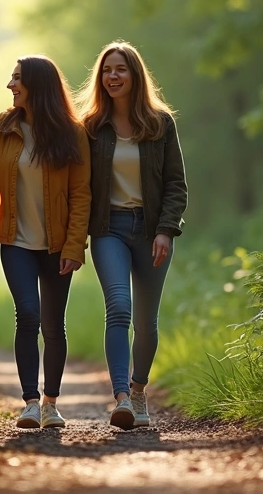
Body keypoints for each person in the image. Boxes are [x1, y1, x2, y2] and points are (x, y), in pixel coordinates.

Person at [0, 55, 90, 429]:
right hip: (16, 241)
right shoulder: (3, 128)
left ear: (38, 85)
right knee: (29, 315)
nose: (10, 85)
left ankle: (52, 402)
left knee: (54, 325)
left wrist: (74, 247)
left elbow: (81, 195)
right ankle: (30, 402)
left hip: (57, 246)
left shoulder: (73, 133)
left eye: (17, 78)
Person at [76, 41, 187, 430]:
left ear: (135, 75)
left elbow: (176, 184)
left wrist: (165, 230)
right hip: (109, 230)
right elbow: (76, 184)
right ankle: (122, 397)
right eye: (107, 70)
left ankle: (140, 391)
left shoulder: (160, 124)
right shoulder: (91, 128)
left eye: (120, 69)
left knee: (147, 321)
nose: (112, 77)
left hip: (152, 230)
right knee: (119, 308)